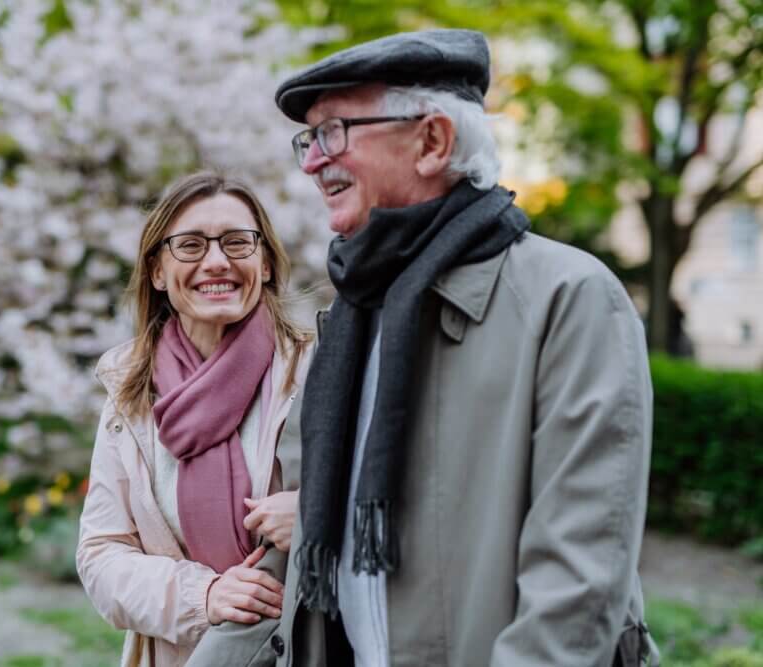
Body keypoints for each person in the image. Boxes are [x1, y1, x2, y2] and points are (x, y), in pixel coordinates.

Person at [266, 29, 659, 666]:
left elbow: (578, 580)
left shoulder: (569, 296)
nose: (312, 161)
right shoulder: (351, 316)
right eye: (308, 139)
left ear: (433, 141)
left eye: (335, 130)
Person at [76, 172, 313, 667]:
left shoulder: (317, 371)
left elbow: (392, 498)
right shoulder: (129, 391)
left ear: (265, 263)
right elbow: (101, 554)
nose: (216, 261)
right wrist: (203, 597)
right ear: (157, 272)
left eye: (237, 242)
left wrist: (317, 512)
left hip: (301, 647)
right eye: (189, 246)